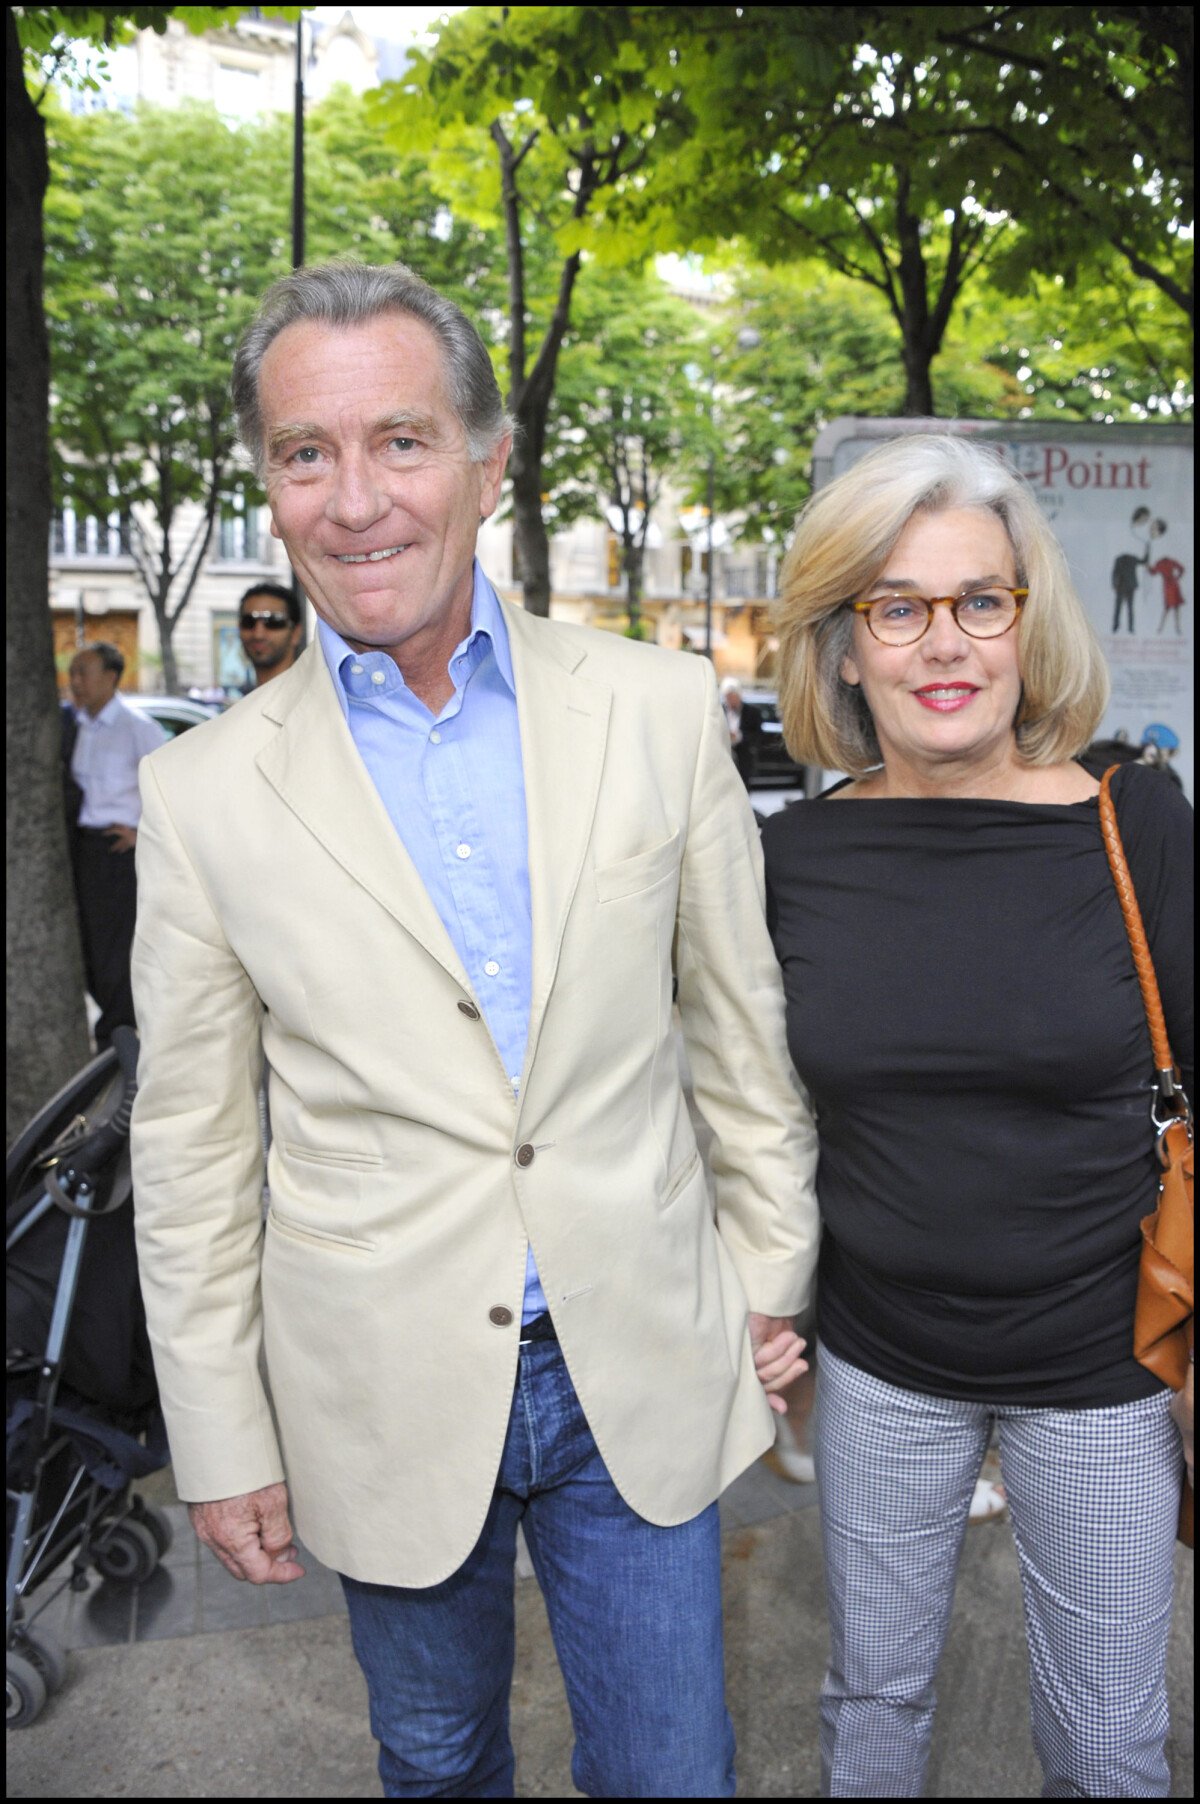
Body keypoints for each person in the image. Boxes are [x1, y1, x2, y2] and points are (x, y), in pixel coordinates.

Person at [129, 260, 818, 1800]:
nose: (356, 498)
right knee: (434, 1762)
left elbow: (736, 1031)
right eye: (308, 454)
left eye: (403, 441)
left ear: (490, 462)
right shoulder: (200, 795)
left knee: (675, 1773)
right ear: (270, 483)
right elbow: (187, 1147)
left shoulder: (654, 709)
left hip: (638, 1345)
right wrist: (222, 1431)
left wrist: (769, 1278)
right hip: (375, 1380)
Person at [762, 434, 1193, 1798]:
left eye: (978, 600)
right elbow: (742, 1108)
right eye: (897, 606)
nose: (942, 643)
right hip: (881, 1361)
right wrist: (753, 1292)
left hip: (1102, 1364)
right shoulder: (791, 861)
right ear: (841, 645)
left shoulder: (1138, 824)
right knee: (873, 1708)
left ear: (1025, 618)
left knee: (1111, 1739)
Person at [66, 643, 166, 1048]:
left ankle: (118, 1036)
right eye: (73, 672)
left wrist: (141, 834)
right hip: (81, 846)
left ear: (111, 677)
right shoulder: (76, 725)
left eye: (83, 672)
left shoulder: (137, 728)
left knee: (114, 947)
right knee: (86, 944)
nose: (75, 682)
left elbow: (166, 788)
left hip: (117, 850)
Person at [236, 580, 304, 686]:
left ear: (296, 633)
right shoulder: (248, 699)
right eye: (249, 622)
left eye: (273, 622)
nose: (258, 634)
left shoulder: (312, 695)